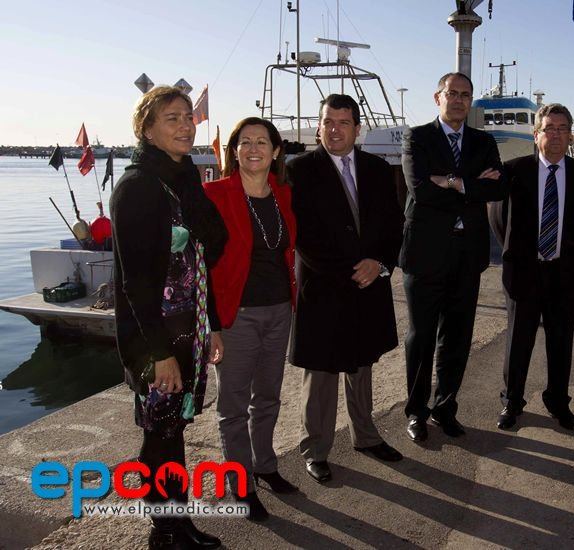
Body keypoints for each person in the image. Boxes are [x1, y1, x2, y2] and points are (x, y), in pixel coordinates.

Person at [111, 85, 227, 549]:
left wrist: (210, 325)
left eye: (187, 117)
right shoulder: (138, 187)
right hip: (154, 338)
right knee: (159, 434)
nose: (185, 126)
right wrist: (158, 354)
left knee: (174, 429)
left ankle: (178, 522)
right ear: (147, 129)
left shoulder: (184, 180)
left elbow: (200, 264)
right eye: (171, 118)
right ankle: (163, 530)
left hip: (188, 330)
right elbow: (135, 284)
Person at [288, 94, 404, 483]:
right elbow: (303, 236)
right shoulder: (299, 170)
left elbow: (393, 224)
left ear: (358, 128)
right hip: (323, 288)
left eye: (343, 122)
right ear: (319, 127)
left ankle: (366, 437)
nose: (335, 130)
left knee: (362, 365)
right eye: (328, 122)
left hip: (369, 286)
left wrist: (379, 263)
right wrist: (353, 271)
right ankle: (315, 450)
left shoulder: (378, 169)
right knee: (321, 374)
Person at [399, 72, 505, 442]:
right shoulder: (417, 137)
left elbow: (499, 188)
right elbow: (421, 190)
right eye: (452, 93)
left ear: (470, 101)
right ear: (437, 97)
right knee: (421, 337)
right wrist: (472, 186)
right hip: (425, 255)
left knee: (457, 338)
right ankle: (416, 412)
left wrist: (453, 181)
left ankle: (445, 408)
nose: (458, 100)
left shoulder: (483, 141)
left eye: (465, 95)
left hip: (467, 256)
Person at [203, 117, 298, 522]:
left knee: (269, 397)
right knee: (233, 405)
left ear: (275, 151)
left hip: (279, 310)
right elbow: (200, 266)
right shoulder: (214, 194)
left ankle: (265, 465)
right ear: (234, 151)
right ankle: (240, 484)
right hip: (235, 316)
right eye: (245, 142)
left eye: (262, 142)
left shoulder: (284, 194)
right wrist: (211, 325)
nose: (254, 148)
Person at [488, 103, 574, 432]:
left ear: (570, 135)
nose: (556, 135)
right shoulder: (514, 171)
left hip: (564, 272)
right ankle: (512, 401)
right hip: (524, 271)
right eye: (549, 128)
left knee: (561, 341)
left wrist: (567, 252)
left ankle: (558, 402)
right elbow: (498, 218)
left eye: (562, 128)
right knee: (518, 341)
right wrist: (520, 253)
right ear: (535, 134)